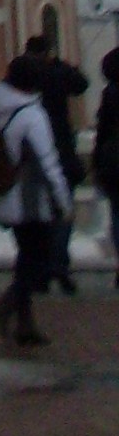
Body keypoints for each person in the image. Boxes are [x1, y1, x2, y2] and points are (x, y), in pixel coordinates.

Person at [0, 54, 72, 347]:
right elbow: (48, 162)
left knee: (26, 257)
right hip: (32, 199)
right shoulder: (32, 115)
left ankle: (24, 323)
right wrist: (63, 201)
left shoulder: (0, 109)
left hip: (8, 194)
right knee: (39, 261)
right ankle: (5, 306)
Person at [23, 31, 89, 294]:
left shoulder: (23, 77)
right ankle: (58, 264)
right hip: (60, 151)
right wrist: (60, 65)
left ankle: (40, 270)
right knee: (62, 212)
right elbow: (81, 84)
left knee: (38, 216)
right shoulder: (57, 73)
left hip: (32, 157)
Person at [92, 46, 119, 292]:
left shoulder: (109, 94)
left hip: (114, 163)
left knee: (117, 214)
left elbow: (102, 133)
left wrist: (97, 163)